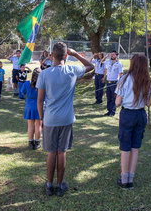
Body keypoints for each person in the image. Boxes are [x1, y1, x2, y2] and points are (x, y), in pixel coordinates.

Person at [37, 42, 94, 197]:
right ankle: (60, 185)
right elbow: (91, 66)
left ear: (51, 56)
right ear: (66, 55)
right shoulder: (72, 70)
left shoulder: (44, 74)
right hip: (66, 118)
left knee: (51, 152)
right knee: (61, 152)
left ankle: (49, 185)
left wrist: (41, 118)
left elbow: (40, 100)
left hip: (50, 119)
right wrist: (76, 54)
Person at [115, 54, 151, 189]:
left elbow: (118, 102)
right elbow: (148, 103)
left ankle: (124, 179)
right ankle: (130, 178)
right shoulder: (148, 81)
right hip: (141, 115)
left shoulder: (124, 79)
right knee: (135, 148)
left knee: (125, 148)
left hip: (128, 115)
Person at [21, 68, 42, 150]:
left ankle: (30, 142)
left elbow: (22, 92)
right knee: (38, 124)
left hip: (29, 105)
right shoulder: (43, 84)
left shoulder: (27, 83)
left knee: (30, 124)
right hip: (39, 105)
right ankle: (37, 142)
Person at [102, 51, 123, 116]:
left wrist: (119, 84)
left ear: (117, 56)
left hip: (114, 83)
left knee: (113, 98)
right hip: (108, 82)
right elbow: (102, 62)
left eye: (113, 55)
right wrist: (106, 56)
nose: (112, 56)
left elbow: (121, 75)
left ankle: (113, 111)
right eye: (111, 55)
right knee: (109, 97)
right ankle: (109, 110)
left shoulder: (119, 64)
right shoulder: (108, 62)